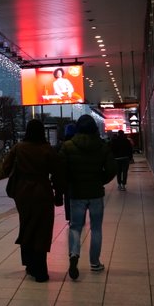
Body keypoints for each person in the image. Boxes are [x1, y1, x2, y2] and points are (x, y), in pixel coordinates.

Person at [3, 119, 65, 282]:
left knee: (26, 225)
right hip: (43, 192)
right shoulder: (47, 149)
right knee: (42, 229)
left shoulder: (18, 148)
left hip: (22, 193)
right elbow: (58, 173)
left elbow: (5, 168)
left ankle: (29, 264)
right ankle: (41, 269)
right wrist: (59, 195)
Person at [61, 114, 117, 279]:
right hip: (95, 193)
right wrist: (100, 180)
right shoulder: (102, 146)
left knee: (75, 227)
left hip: (76, 193)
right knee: (96, 228)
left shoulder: (68, 146)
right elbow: (112, 169)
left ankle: (74, 254)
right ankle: (95, 263)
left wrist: (70, 183)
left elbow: (61, 169)